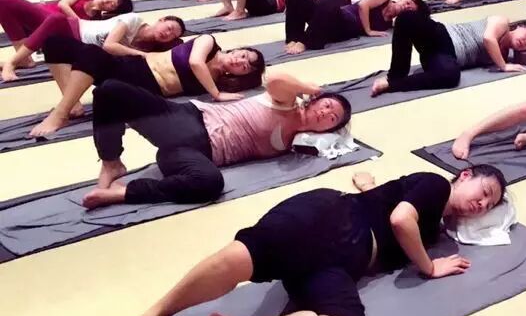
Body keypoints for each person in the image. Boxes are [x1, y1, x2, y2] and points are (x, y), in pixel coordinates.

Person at [99, 159, 506, 316]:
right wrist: (430, 268)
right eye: (484, 191)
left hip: (342, 265)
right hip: (332, 218)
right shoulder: (435, 184)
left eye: (489, 205)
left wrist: (369, 186)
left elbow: (390, 199)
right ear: (464, 175)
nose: (482, 204)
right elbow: (400, 219)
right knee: (243, 256)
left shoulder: (436, 222)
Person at [81, 71, 352, 210]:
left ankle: (126, 192)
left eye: (333, 118)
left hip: (194, 153)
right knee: (110, 90)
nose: (326, 113)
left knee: (210, 184)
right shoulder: (288, 102)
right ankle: (111, 162)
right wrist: (311, 89)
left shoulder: (301, 142)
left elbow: (337, 147)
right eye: (327, 105)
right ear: (317, 100)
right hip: (190, 120)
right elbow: (275, 79)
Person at [29, 34, 264, 138]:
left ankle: (61, 113)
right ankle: (70, 105)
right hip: (134, 67)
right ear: (237, 49)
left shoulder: (217, 80)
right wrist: (216, 94)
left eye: (245, 67)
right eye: (243, 55)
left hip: (146, 87)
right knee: (55, 42)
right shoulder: (208, 42)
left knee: (92, 56)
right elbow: (195, 62)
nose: (240, 61)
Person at [371, 13, 526, 95]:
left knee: (451, 76)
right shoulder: (502, 22)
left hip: (442, 58)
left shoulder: (505, 55)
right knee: (406, 18)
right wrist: (504, 66)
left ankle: (393, 84)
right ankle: (396, 74)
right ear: (520, 26)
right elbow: (488, 39)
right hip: (443, 35)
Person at [1, 13, 185, 81]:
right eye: (169, 28)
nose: (167, 33)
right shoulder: (134, 20)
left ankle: (16, 61)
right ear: (161, 20)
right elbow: (109, 46)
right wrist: (140, 54)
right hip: (72, 28)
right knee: (5, 1)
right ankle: (13, 62)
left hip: (77, 48)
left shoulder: (148, 49)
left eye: (172, 35)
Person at [283, 0, 422, 53]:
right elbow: (363, 5)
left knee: (328, 3)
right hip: (341, 15)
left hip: (344, 28)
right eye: (408, 2)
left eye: (409, 9)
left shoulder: (390, 25)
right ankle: (293, 37)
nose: (406, 7)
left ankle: (305, 41)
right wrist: (368, 31)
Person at [0, 0, 133, 48]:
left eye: (112, 4)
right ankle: (22, 53)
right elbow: (63, 4)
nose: (108, 1)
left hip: (53, 27)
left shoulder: (96, 20)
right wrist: (79, 22)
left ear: (112, 11)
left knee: (3, 0)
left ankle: (22, 56)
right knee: (4, 2)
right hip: (44, 13)